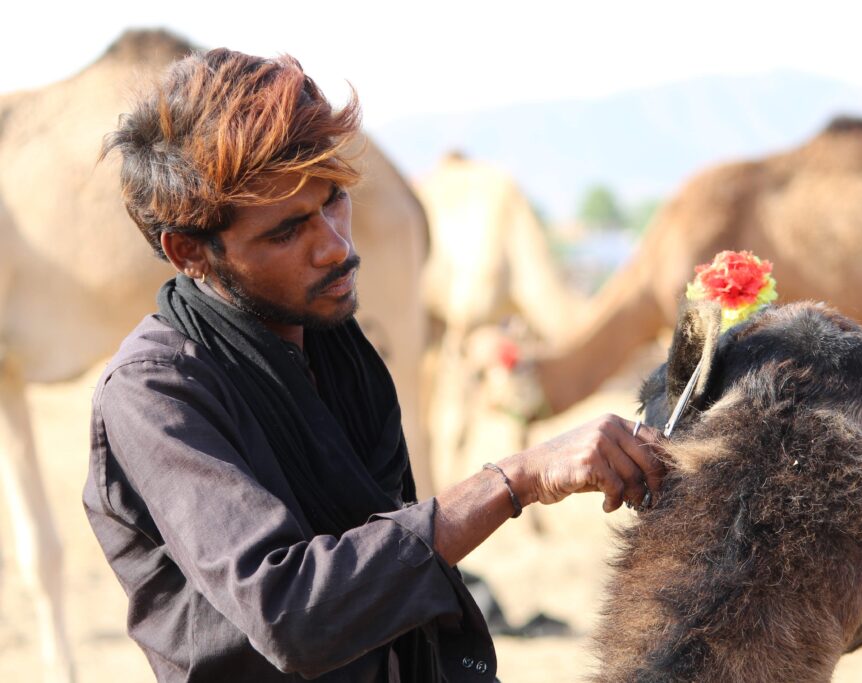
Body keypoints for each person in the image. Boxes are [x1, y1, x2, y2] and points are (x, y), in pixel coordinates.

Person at [83, 46, 665, 683]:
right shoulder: (155, 394)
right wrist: (515, 480)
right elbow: (292, 612)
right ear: (189, 251)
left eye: (334, 200)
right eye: (286, 231)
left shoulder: (334, 346)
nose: (335, 246)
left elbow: (393, 582)